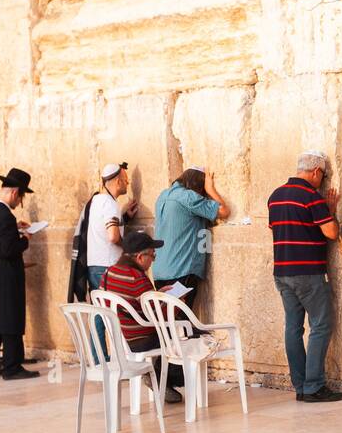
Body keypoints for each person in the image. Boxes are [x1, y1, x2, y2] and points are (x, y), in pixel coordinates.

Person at [269, 151, 342, 402]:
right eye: (322, 176)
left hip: (282, 272)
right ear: (315, 172)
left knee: (293, 327)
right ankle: (314, 386)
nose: (321, 181)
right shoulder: (311, 197)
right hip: (308, 272)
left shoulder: (275, 197)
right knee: (320, 326)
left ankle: (300, 385)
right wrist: (330, 210)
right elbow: (331, 232)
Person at [101, 230, 186, 403]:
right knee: (182, 334)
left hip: (121, 338)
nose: (153, 260)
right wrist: (176, 304)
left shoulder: (108, 273)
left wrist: (156, 294)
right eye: (152, 256)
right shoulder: (138, 278)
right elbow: (157, 319)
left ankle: (157, 376)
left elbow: (136, 302)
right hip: (140, 339)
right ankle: (165, 379)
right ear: (140, 257)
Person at [0, 168, 40, 380]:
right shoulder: (5, 216)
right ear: (15, 193)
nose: (19, 203)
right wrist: (25, 239)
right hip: (6, 272)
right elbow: (8, 249)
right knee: (11, 316)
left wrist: (15, 231)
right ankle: (12, 366)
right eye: (21, 198)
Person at [154, 167, 230, 309]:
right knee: (182, 320)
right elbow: (224, 211)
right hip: (180, 270)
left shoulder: (163, 196)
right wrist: (210, 190)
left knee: (168, 322)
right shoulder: (188, 197)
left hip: (159, 271)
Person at [77, 162, 138, 294]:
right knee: (108, 312)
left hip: (95, 265)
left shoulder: (95, 200)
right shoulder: (110, 204)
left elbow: (102, 228)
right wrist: (127, 248)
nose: (127, 183)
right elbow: (113, 237)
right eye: (126, 180)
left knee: (100, 310)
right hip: (107, 266)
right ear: (117, 182)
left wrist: (125, 217)